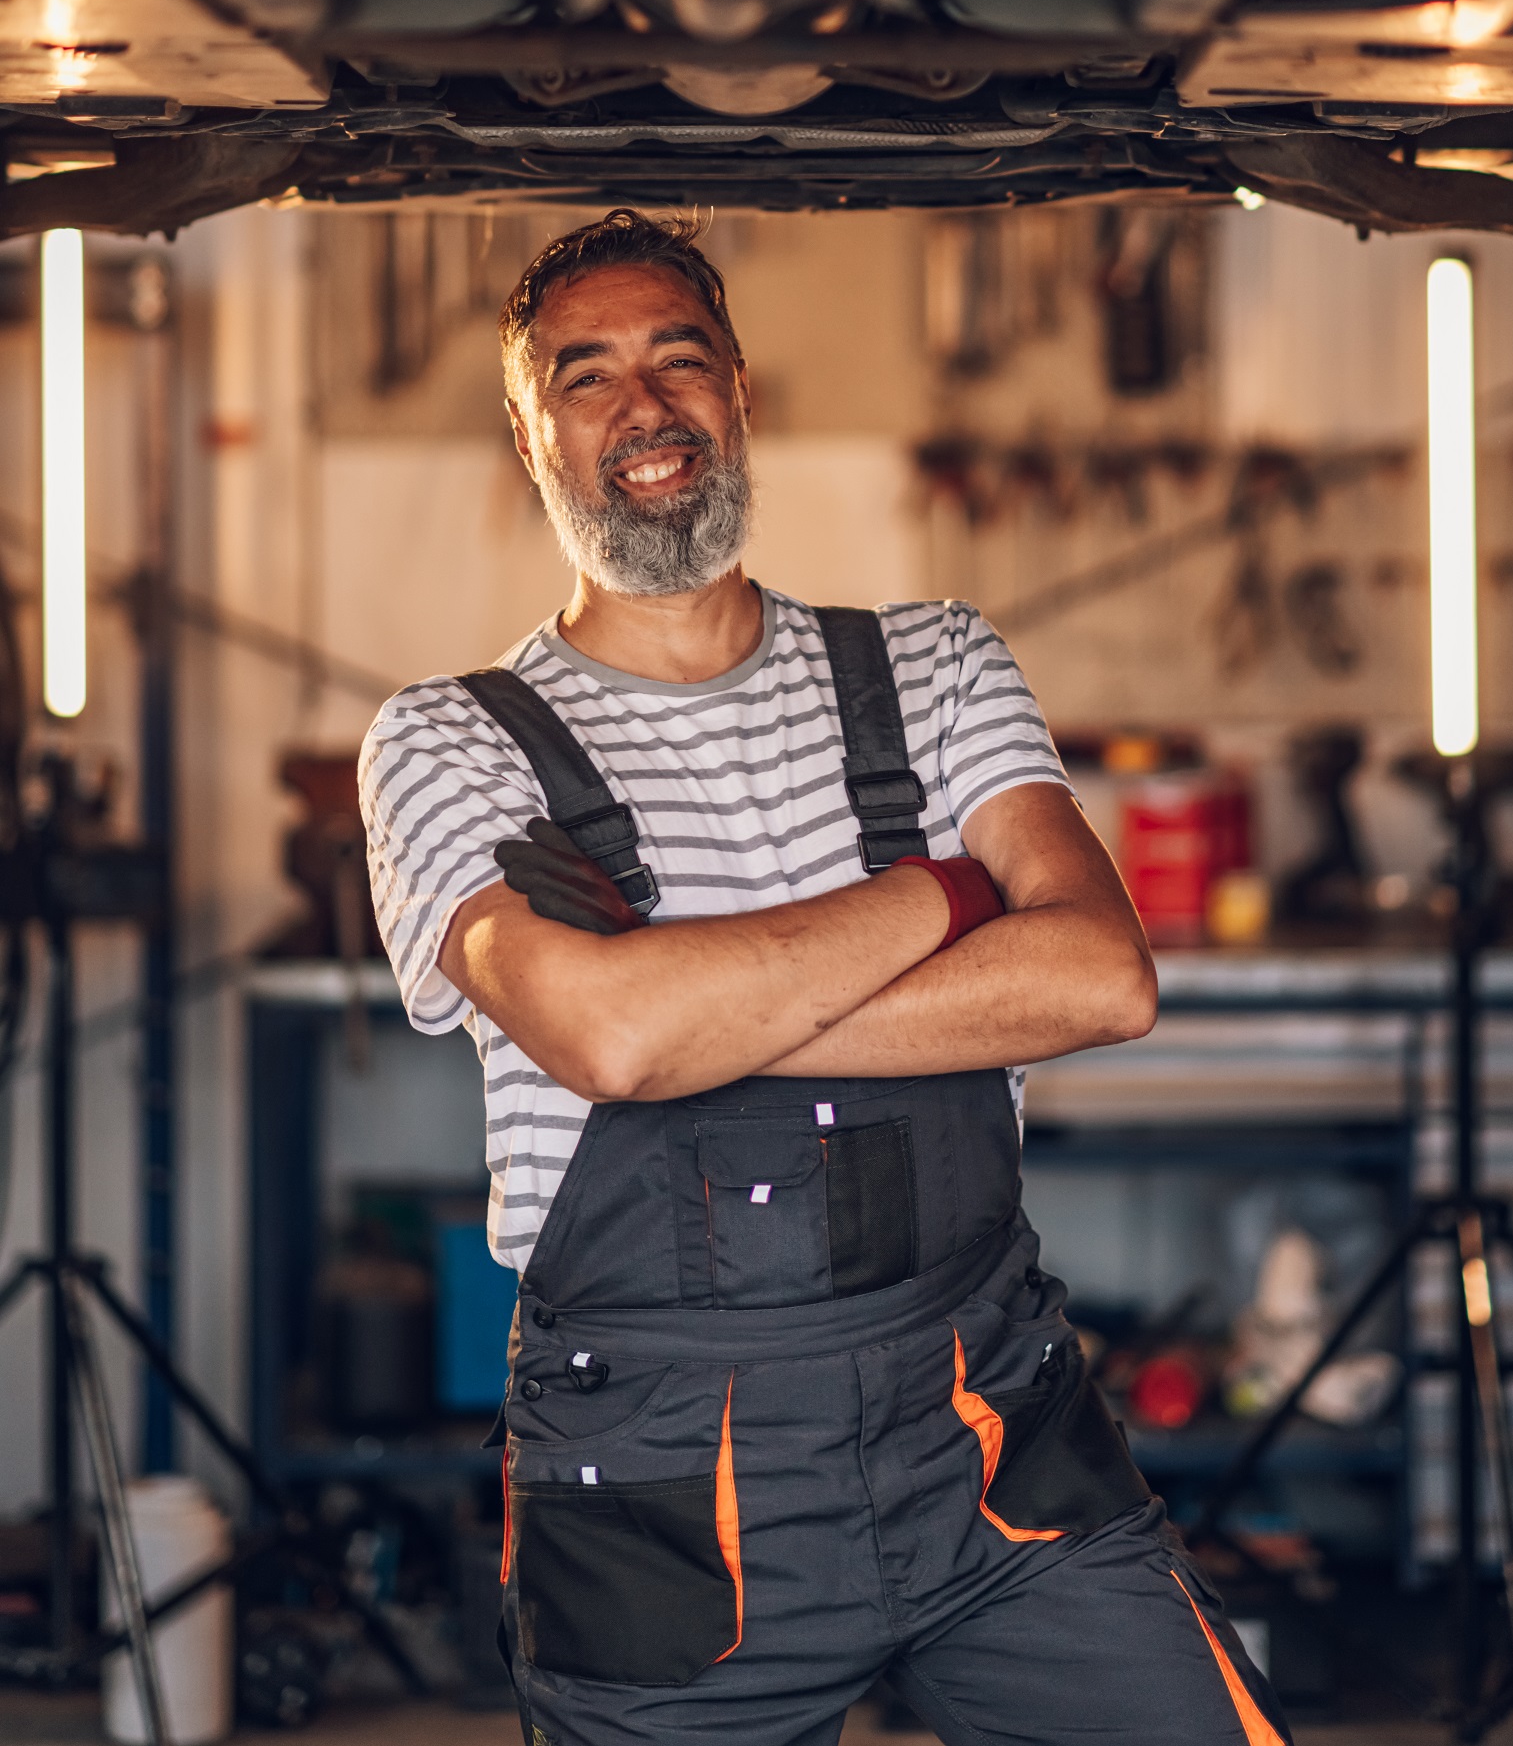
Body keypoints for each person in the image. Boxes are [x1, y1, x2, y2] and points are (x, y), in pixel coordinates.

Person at [360, 208, 1288, 1746]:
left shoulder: (935, 662)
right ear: (529, 438)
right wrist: (949, 893)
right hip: (666, 1469)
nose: (643, 406)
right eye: (585, 377)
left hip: (984, 1415)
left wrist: (694, 1009)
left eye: (680, 359)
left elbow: (1096, 978)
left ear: (739, 392)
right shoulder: (442, 739)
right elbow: (606, 1035)